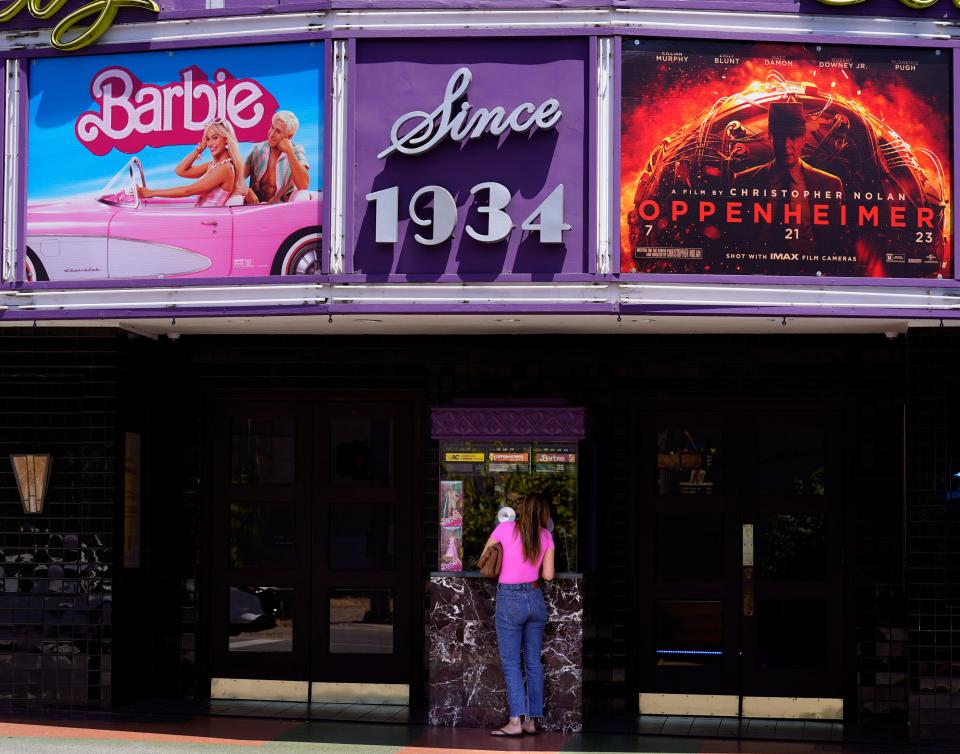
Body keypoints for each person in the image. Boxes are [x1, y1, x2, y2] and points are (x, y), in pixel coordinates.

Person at [480, 493, 555, 737]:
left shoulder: (505, 528)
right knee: (532, 663)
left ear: (521, 509)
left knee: (512, 663)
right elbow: (548, 576)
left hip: (510, 600)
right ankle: (531, 721)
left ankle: (515, 722)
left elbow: (485, 557)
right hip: (535, 599)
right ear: (544, 513)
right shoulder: (546, 536)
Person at [138, 119, 245, 207]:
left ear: (226, 139)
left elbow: (188, 191)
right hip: (200, 217)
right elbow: (180, 171)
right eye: (207, 139)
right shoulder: (213, 165)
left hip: (207, 222)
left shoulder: (225, 169)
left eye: (215, 138)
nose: (210, 143)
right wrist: (199, 149)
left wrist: (151, 193)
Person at [243, 110, 310, 204]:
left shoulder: (296, 151)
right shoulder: (257, 149)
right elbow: (237, 178)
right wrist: (246, 190)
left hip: (280, 210)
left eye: (278, 131)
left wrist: (289, 152)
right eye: (272, 127)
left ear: (289, 137)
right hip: (254, 208)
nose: (271, 134)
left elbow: (303, 185)